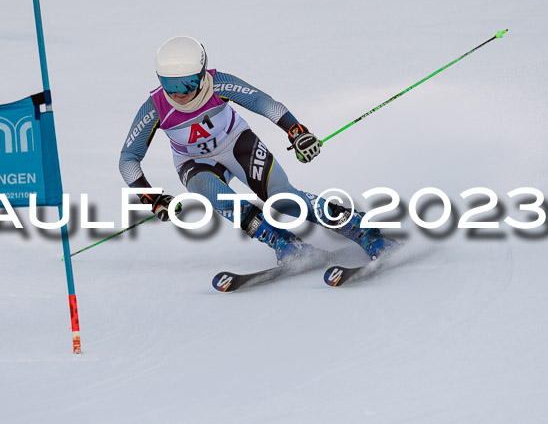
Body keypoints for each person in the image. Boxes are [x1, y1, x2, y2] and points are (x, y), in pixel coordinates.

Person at [119, 35, 399, 264]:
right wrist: (151, 198)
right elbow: (128, 159)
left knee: (284, 199)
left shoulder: (219, 84)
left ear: (202, 74)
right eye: (168, 83)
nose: (178, 92)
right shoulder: (155, 108)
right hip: (195, 161)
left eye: (187, 83)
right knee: (219, 197)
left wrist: (296, 131)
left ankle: (364, 231)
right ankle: (283, 241)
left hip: (236, 143)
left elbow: (264, 103)